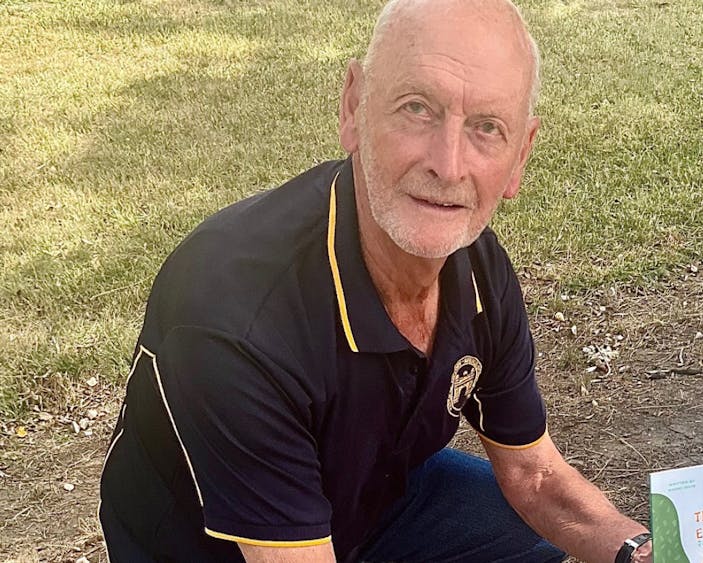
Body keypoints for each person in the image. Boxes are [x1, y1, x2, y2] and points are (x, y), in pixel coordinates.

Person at [98, 0, 653, 561]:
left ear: (519, 157)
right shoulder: (235, 316)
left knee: (534, 541)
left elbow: (536, 481)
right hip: (218, 548)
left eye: (486, 127)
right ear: (353, 107)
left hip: (369, 503)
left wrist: (645, 551)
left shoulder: (480, 270)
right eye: (417, 108)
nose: (449, 164)